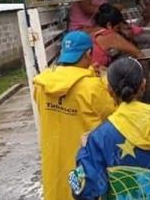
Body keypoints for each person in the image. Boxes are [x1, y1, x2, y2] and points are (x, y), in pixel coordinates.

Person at [68, 57, 150, 199]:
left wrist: (84, 151)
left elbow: (82, 190)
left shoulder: (99, 138)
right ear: (144, 85)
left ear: (109, 90)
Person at [33, 31, 116, 200]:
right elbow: (114, 118)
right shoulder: (92, 87)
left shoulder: (41, 85)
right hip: (84, 168)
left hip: (53, 168)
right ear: (88, 54)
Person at [91, 4, 143, 68]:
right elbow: (138, 53)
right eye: (118, 28)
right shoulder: (109, 36)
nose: (118, 32)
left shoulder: (93, 32)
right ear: (109, 25)